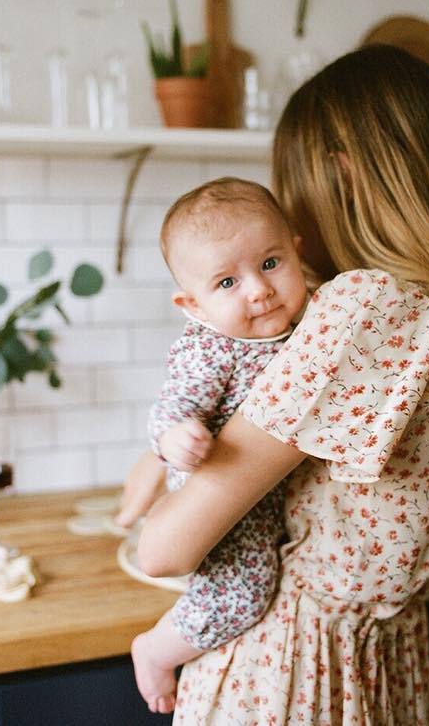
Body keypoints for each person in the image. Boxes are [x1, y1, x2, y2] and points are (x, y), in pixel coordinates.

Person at [129, 44, 429, 724]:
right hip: (384, 659)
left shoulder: (364, 308)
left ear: (338, 174)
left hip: (289, 669)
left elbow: (164, 548)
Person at [130, 177, 311, 714]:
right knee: (243, 596)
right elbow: (170, 404)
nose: (257, 289)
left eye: (271, 264)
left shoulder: (308, 318)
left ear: (296, 252)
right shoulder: (211, 347)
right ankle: (157, 650)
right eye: (227, 282)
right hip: (222, 495)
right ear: (195, 304)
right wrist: (175, 434)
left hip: (263, 490)